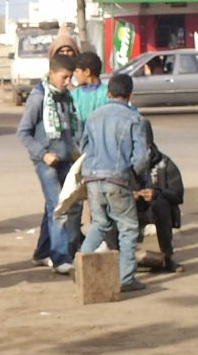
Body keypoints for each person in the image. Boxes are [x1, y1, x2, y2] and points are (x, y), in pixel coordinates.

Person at [79, 74, 149, 292]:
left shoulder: (93, 117)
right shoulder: (134, 119)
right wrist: (134, 177)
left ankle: (80, 267)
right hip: (117, 178)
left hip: (92, 178)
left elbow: (83, 148)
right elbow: (141, 158)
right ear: (130, 95)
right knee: (128, 228)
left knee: (99, 224)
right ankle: (126, 279)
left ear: (108, 93)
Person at [16, 54, 82, 275]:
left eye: (70, 77)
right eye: (64, 77)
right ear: (51, 74)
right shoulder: (38, 98)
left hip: (65, 160)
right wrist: (43, 154)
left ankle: (43, 251)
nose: (67, 82)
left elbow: (71, 128)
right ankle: (61, 256)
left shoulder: (65, 98)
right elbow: (23, 133)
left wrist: (74, 149)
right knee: (59, 208)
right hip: (46, 163)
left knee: (55, 206)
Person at [134, 119, 185, 273]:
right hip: (132, 208)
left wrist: (157, 193)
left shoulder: (164, 163)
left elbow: (178, 194)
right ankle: (123, 258)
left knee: (161, 205)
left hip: (155, 210)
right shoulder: (124, 163)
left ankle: (168, 256)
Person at [71, 52, 109, 124]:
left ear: (87, 72)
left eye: (76, 71)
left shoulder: (107, 94)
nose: (74, 75)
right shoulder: (74, 95)